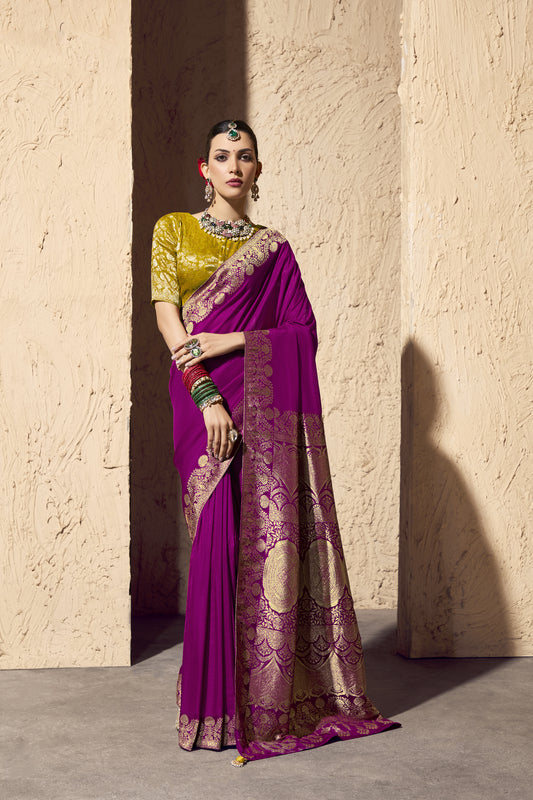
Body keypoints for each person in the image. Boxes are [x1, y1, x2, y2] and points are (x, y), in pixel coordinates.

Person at [151, 120, 397, 765]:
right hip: (196, 388)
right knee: (213, 541)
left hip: (253, 393)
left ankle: (255, 701)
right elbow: (167, 316)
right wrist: (204, 393)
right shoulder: (172, 229)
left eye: (246, 156)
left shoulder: (273, 249)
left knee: (255, 541)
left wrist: (234, 341)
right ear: (204, 169)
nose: (234, 165)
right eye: (222, 156)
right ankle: (209, 709)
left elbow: (300, 332)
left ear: (259, 170)